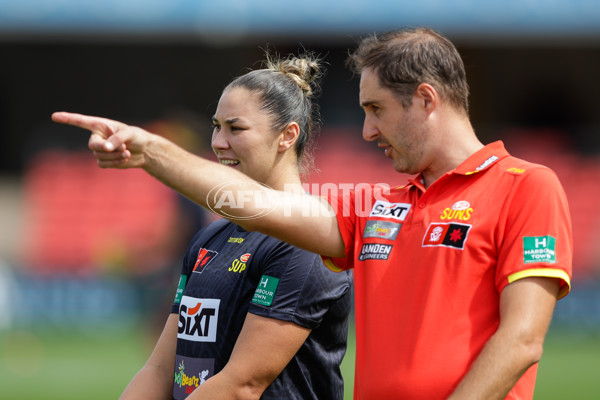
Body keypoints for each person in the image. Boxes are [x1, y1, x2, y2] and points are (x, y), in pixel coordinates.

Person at [53, 27, 573, 400]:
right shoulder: (377, 205)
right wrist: (150, 154)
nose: (368, 132)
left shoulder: (525, 187)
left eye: (376, 110)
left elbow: (522, 339)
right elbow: (253, 207)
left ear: (425, 99)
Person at [68, 54, 353, 400]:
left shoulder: (303, 244)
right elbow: (160, 369)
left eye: (236, 128)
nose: (218, 141)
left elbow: (242, 386)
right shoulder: (210, 237)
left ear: (286, 136)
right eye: (217, 126)